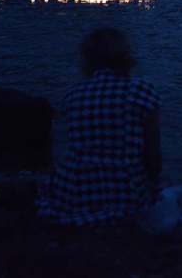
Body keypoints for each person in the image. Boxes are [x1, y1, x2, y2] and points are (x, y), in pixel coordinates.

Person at [36, 27, 162, 226]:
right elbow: (153, 158)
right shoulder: (141, 91)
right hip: (124, 193)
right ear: (126, 57)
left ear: (87, 59)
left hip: (73, 191)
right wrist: (154, 182)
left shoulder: (73, 95)